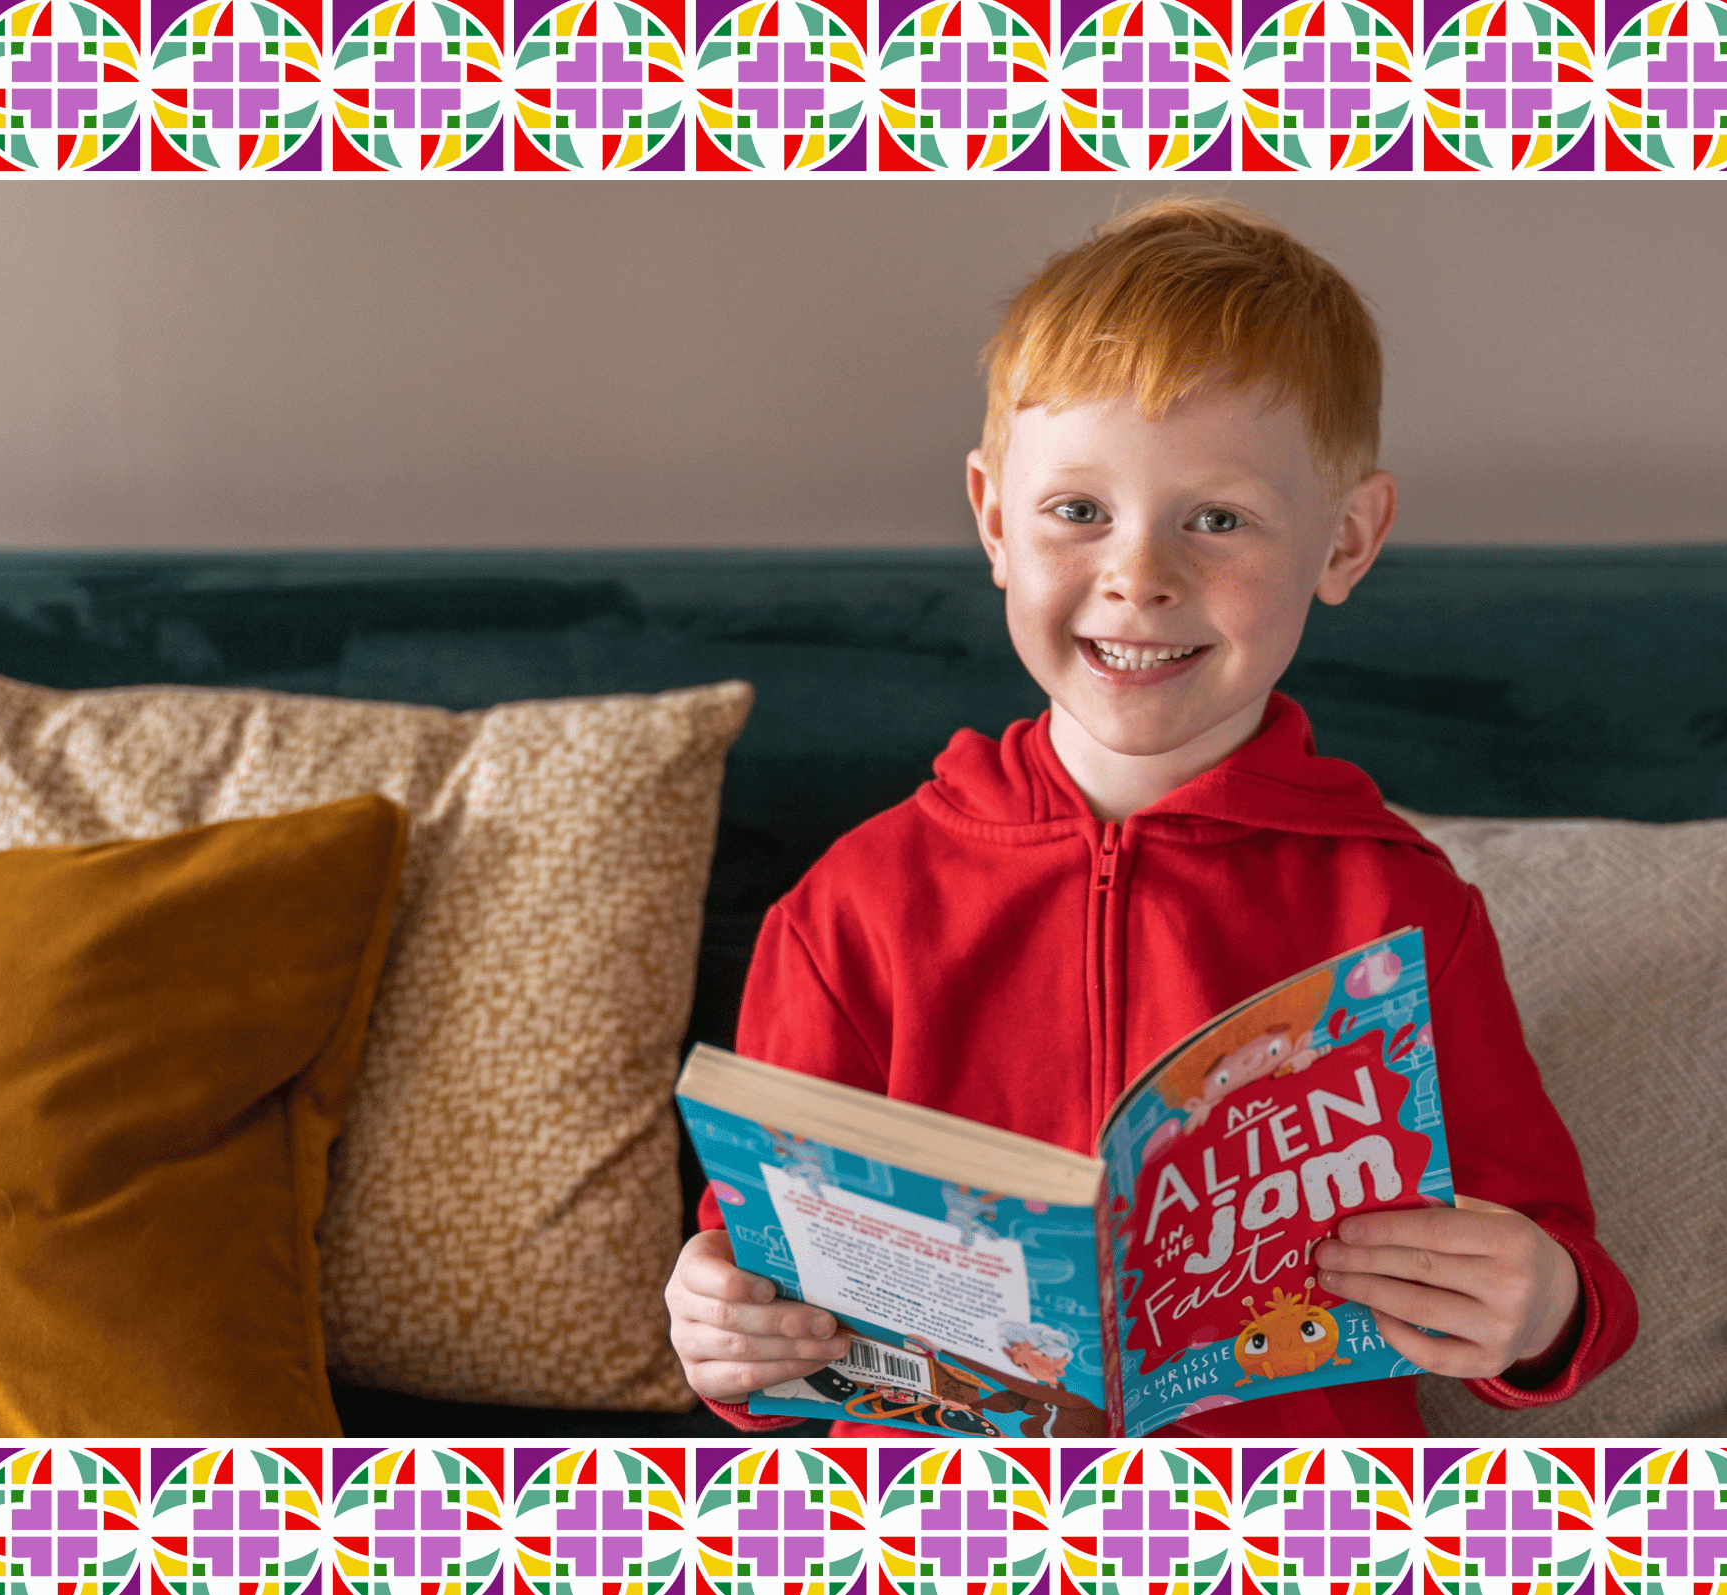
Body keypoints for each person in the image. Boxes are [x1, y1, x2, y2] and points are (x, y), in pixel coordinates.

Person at [663, 196, 1637, 1438]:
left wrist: (1542, 1303)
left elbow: (1554, 1264)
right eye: (1080, 512)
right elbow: (766, 1302)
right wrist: (731, 1334)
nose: (1140, 576)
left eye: (1216, 520)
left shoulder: (1398, 909)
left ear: (1347, 541)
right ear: (994, 519)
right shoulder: (852, 905)